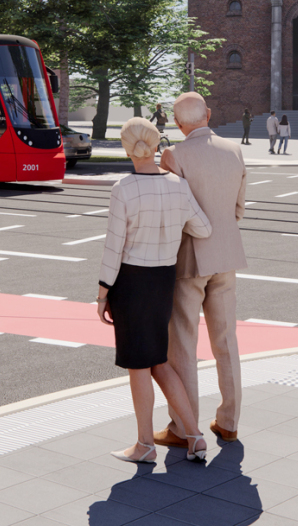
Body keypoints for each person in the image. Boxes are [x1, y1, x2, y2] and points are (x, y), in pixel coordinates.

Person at [96, 117, 211, 464]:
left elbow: (113, 248)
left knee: (139, 366)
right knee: (159, 361)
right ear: (156, 142)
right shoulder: (177, 184)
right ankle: (195, 436)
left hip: (131, 282)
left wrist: (103, 294)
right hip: (164, 280)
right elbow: (203, 229)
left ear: (127, 148)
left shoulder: (124, 188)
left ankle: (145, 445)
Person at [153, 92, 249, 449]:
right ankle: (229, 422)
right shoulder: (233, 149)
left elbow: (173, 212)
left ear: (178, 124)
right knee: (226, 342)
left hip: (190, 259)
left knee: (183, 345)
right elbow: (239, 207)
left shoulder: (173, 155)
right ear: (208, 114)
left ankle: (183, 426)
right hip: (228, 253)